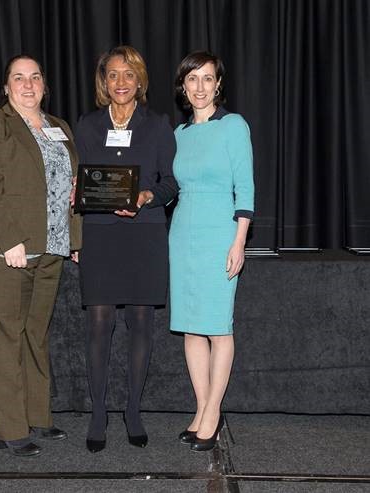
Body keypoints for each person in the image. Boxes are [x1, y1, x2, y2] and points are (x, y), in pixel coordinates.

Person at [0, 54, 82, 456]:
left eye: (35, 77)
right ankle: (9, 428)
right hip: (6, 251)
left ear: (44, 85)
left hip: (51, 247)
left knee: (36, 334)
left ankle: (37, 415)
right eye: (19, 78)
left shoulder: (59, 128)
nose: (28, 84)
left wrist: (75, 239)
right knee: (4, 338)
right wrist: (9, 240)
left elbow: (71, 189)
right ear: (6, 87)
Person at [74, 45, 178, 453]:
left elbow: (171, 182)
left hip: (144, 233)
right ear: (104, 81)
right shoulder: (87, 125)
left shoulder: (158, 124)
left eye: (128, 74)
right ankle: (98, 413)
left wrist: (149, 195)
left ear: (140, 81)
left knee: (141, 324)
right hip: (100, 232)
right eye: (113, 74)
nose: (121, 82)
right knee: (99, 325)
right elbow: (79, 182)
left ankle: (133, 410)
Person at [169, 51, 254, 452]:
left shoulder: (233, 126)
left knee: (218, 327)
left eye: (207, 79)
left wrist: (239, 240)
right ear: (183, 87)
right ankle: (201, 409)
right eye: (192, 79)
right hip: (183, 232)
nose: (200, 87)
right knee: (190, 326)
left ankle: (213, 412)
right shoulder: (180, 134)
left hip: (220, 231)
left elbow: (246, 187)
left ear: (218, 83)